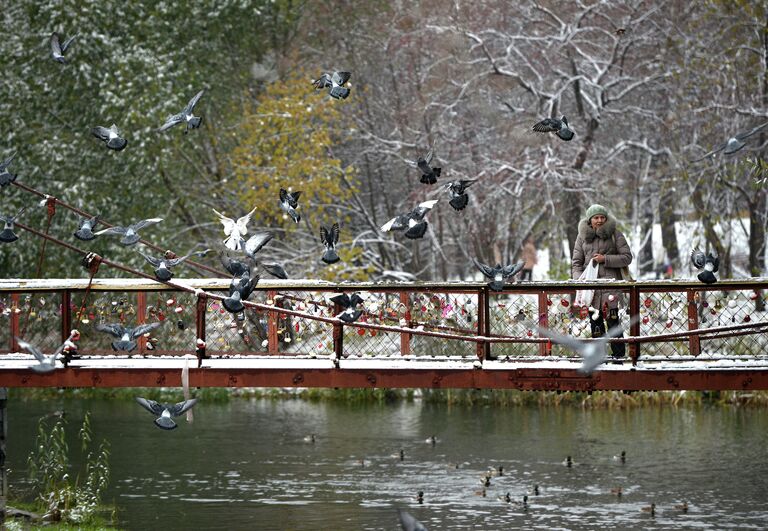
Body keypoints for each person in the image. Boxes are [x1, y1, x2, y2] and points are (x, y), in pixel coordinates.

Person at [571, 204, 633, 359]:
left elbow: (627, 257)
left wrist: (605, 259)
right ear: (590, 220)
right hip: (590, 290)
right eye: (596, 217)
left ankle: (618, 359)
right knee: (595, 325)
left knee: (614, 324)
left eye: (602, 217)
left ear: (606, 219)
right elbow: (576, 263)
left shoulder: (615, 234)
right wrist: (580, 281)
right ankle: (599, 359)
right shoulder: (581, 237)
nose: (599, 220)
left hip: (610, 289)